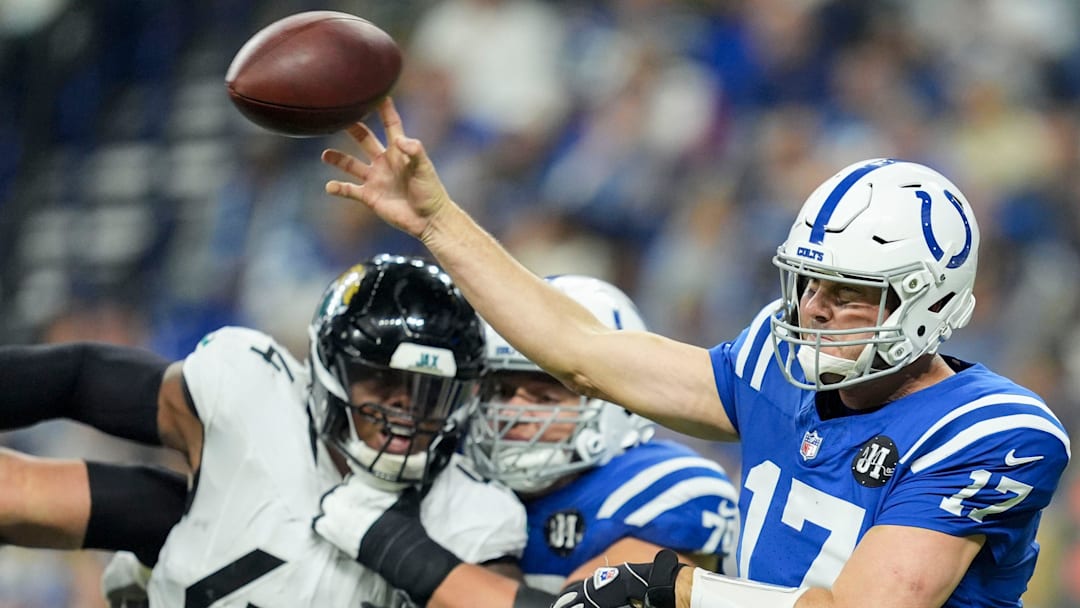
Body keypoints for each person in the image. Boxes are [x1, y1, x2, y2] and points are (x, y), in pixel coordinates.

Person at [317, 99, 1071, 608]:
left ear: (927, 302)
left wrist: (676, 590)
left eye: (847, 292)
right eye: (809, 283)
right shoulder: (773, 367)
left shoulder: (991, 431)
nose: (814, 308)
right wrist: (438, 222)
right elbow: (580, 350)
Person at [0, 253, 529, 608]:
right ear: (327, 370)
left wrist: (407, 555)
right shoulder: (254, 396)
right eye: (382, 381)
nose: (404, 407)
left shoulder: (471, 513)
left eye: (427, 391)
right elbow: (82, 379)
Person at [464, 274, 739, 592]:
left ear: (615, 401)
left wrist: (414, 555)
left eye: (544, 398)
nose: (510, 413)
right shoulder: (457, 472)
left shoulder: (664, 486)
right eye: (501, 391)